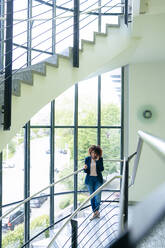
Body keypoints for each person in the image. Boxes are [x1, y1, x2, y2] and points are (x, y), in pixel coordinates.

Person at [84, 145, 104, 220]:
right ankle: (95, 212)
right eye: (92, 153)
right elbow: (86, 171)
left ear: (98, 153)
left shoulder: (100, 159)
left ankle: (96, 211)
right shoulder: (87, 159)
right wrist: (85, 168)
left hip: (97, 180)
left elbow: (101, 169)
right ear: (90, 152)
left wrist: (98, 161)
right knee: (92, 196)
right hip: (90, 180)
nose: (93, 154)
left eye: (95, 153)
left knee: (98, 197)